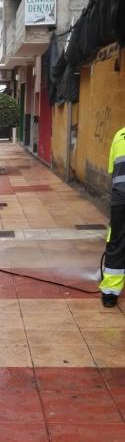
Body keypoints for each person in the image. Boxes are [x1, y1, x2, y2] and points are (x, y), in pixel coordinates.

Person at [100, 127, 125, 307]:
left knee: (117, 241)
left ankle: (110, 293)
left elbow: (112, 171)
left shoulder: (119, 135)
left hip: (120, 198)